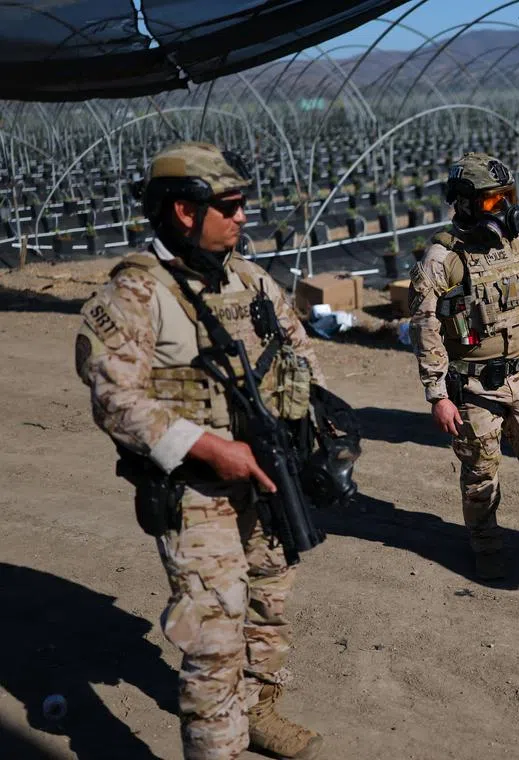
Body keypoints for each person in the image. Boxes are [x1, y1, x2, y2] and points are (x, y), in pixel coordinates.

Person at [76, 142, 327, 758]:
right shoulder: (135, 291)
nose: (243, 218)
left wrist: (307, 423)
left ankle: (260, 711)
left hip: (268, 478)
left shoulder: (248, 277)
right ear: (185, 212)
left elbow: (298, 351)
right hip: (196, 489)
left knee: (269, 603)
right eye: (231, 207)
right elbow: (114, 397)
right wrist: (210, 446)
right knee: (214, 635)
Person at [409, 152, 519, 581]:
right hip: (473, 391)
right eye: (492, 201)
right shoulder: (441, 258)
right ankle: (486, 547)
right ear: (464, 202)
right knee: (481, 474)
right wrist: (438, 395)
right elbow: (426, 329)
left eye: (508, 197)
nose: (504, 209)